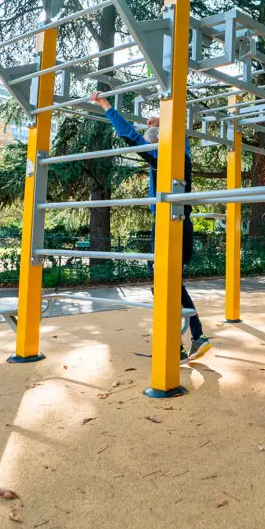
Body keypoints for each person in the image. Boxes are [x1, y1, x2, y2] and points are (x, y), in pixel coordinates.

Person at [90, 91, 211, 362]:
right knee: (173, 283)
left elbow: (129, 135)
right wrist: (160, 122)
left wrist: (105, 105)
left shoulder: (160, 158)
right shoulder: (184, 155)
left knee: (162, 284)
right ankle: (197, 335)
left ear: (156, 143)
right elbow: (179, 134)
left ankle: (177, 345)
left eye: (150, 141)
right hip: (184, 226)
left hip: (167, 225)